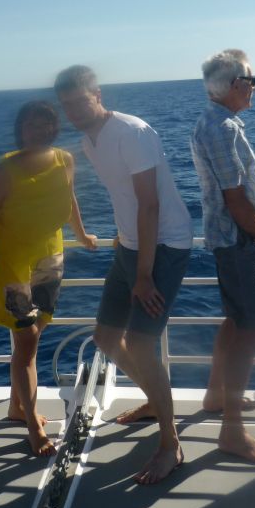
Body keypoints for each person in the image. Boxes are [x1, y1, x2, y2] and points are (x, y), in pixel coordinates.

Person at [54, 65, 192, 484]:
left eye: (80, 101)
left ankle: (171, 445)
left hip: (164, 247)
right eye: (67, 106)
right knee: (106, 339)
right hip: (129, 245)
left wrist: (144, 274)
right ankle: (155, 401)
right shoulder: (88, 140)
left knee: (138, 342)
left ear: (97, 94)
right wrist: (121, 240)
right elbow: (125, 199)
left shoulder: (132, 133)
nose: (75, 111)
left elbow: (149, 205)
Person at [0, 101, 97, 456]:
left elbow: (69, 197)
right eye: (32, 125)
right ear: (20, 129)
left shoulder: (64, 160)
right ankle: (32, 426)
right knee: (26, 340)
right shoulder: (5, 170)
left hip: (50, 257)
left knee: (35, 331)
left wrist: (82, 235)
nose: (39, 131)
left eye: (45, 125)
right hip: (13, 264)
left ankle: (16, 406)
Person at [190, 50, 255, 464]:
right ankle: (231, 433)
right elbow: (235, 198)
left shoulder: (212, 123)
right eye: (251, 79)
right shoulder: (223, 128)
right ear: (234, 85)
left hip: (226, 238)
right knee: (252, 331)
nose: (254, 87)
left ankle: (214, 398)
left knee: (234, 321)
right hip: (237, 239)